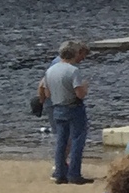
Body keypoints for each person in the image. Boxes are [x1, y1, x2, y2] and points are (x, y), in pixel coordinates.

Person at [39, 40, 91, 184]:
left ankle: (60, 173)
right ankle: (74, 174)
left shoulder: (50, 70)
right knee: (77, 141)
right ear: (74, 53)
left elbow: (47, 92)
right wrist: (85, 87)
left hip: (57, 108)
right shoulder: (73, 70)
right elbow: (80, 94)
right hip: (73, 107)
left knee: (61, 141)